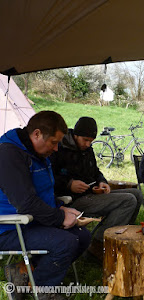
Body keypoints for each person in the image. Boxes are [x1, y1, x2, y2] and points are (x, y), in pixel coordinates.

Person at [0, 111, 91, 300]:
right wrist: (59, 217)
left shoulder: (35, 151)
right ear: (37, 134)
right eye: (54, 142)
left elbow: (42, 193)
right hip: (9, 228)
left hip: (31, 221)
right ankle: (42, 290)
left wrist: (60, 207)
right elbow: (25, 202)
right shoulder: (9, 154)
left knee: (82, 236)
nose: (56, 149)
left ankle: (25, 273)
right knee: (65, 242)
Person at [50, 117, 143, 260]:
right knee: (128, 200)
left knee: (136, 194)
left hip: (89, 194)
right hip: (71, 200)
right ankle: (98, 246)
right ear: (76, 135)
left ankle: (121, 238)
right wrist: (69, 184)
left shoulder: (87, 150)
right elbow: (49, 176)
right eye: (85, 140)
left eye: (91, 141)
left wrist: (101, 182)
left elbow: (95, 171)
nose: (88, 144)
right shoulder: (59, 148)